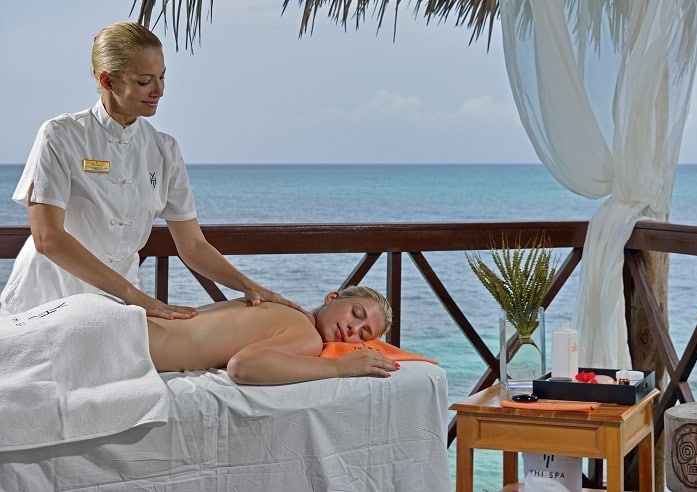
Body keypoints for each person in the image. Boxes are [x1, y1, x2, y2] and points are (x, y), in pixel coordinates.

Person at [0, 21, 306, 319]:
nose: (158, 90)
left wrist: (251, 287)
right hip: (47, 298)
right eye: (144, 81)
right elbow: (48, 238)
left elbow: (193, 245)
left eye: (162, 78)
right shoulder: (61, 134)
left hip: (121, 307)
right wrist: (139, 299)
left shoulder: (164, 150)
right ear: (108, 81)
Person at [148, 285, 399, 385]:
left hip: (139, 327)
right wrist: (339, 367)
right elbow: (242, 367)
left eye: (364, 335)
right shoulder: (307, 336)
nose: (353, 329)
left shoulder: (282, 308)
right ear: (332, 297)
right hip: (134, 343)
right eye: (356, 313)